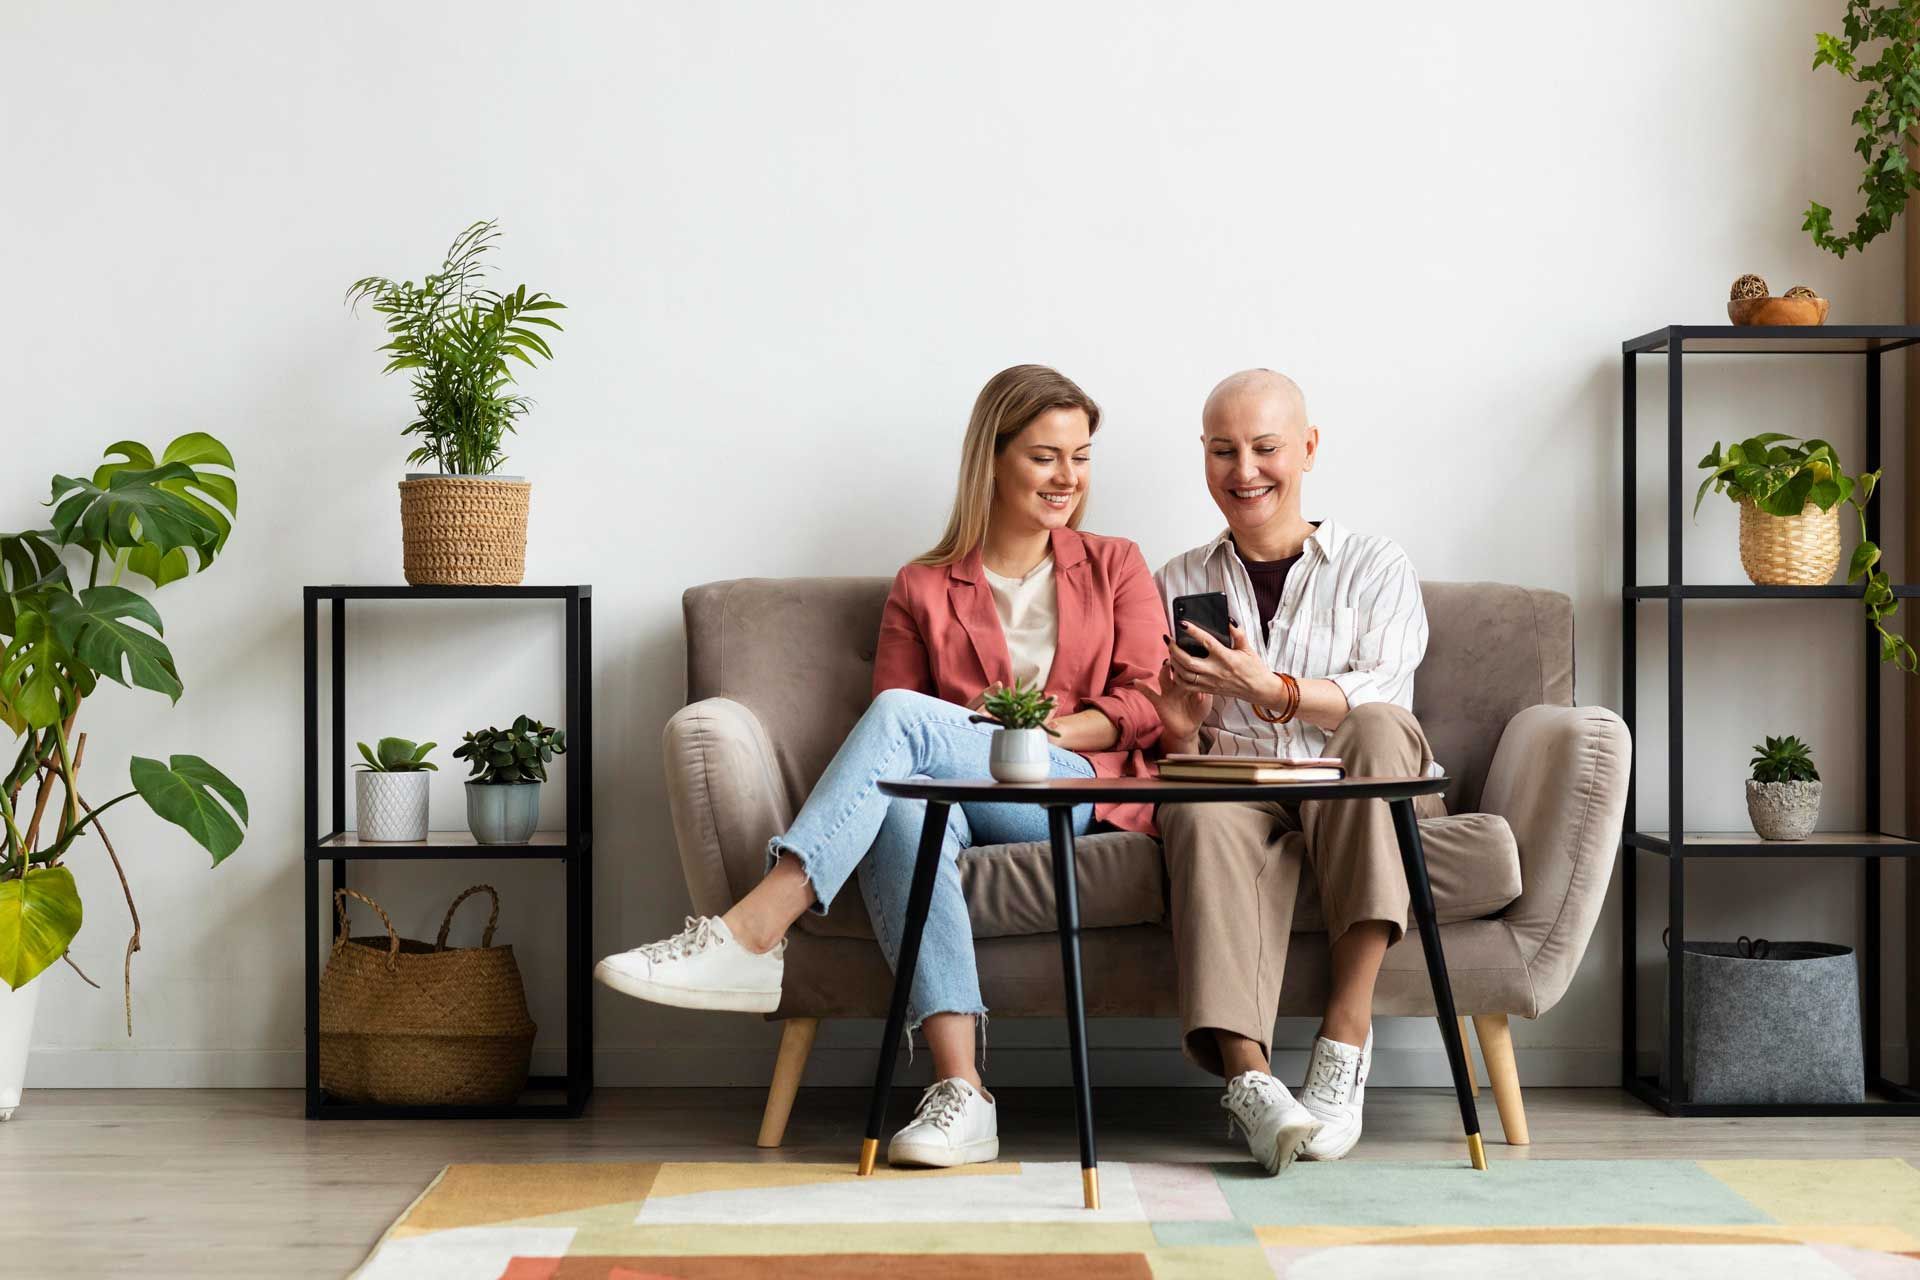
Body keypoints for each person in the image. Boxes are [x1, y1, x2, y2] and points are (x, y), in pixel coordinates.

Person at [596, 364, 1165, 1169]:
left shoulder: (1114, 563)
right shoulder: (925, 586)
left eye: (1080, 456)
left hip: (1072, 787)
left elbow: (1145, 699)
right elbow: (898, 750)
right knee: (902, 806)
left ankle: (756, 928)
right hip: (964, 797)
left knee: (902, 720)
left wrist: (1033, 731)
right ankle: (963, 1093)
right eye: (1045, 456)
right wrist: (970, 743)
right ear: (993, 460)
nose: (1067, 478)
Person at [1139, 369, 1443, 1175]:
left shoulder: (1375, 564)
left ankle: (1345, 1040)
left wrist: (1269, 690)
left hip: (1356, 775)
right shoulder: (1177, 582)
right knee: (1191, 809)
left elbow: (1382, 694)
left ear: (1307, 448)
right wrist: (1181, 728)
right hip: (1242, 789)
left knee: (1376, 727)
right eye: (1222, 451)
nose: (1245, 472)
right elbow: (1185, 744)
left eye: (1266, 448)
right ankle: (1250, 1081)